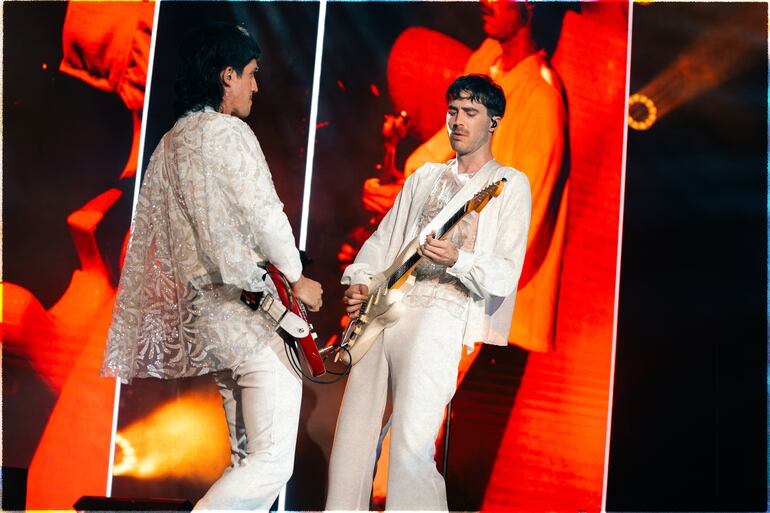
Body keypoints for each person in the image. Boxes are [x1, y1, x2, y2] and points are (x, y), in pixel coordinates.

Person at [101, 23, 322, 510]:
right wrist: (299, 277)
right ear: (226, 76)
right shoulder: (229, 133)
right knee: (270, 464)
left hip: (212, 324)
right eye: (250, 74)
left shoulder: (170, 144)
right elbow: (265, 213)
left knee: (247, 462)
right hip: (255, 318)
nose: (255, 86)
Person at [326, 74, 531, 511]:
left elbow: (506, 272)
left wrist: (458, 259)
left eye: (470, 113)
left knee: (410, 446)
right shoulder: (424, 176)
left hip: (442, 315)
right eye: (453, 111)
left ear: (494, 122)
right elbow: (384, 239)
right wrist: (360, 277)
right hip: (385, 310)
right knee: (352, 437)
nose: (458, 121)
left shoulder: (509, 184)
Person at [405, 0, 568, 354]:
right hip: (450, 280)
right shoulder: (485, 62)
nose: (484, 2)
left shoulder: (541, 99)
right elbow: (443, 145)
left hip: (490, 309)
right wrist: (404, 187)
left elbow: (517, 228)